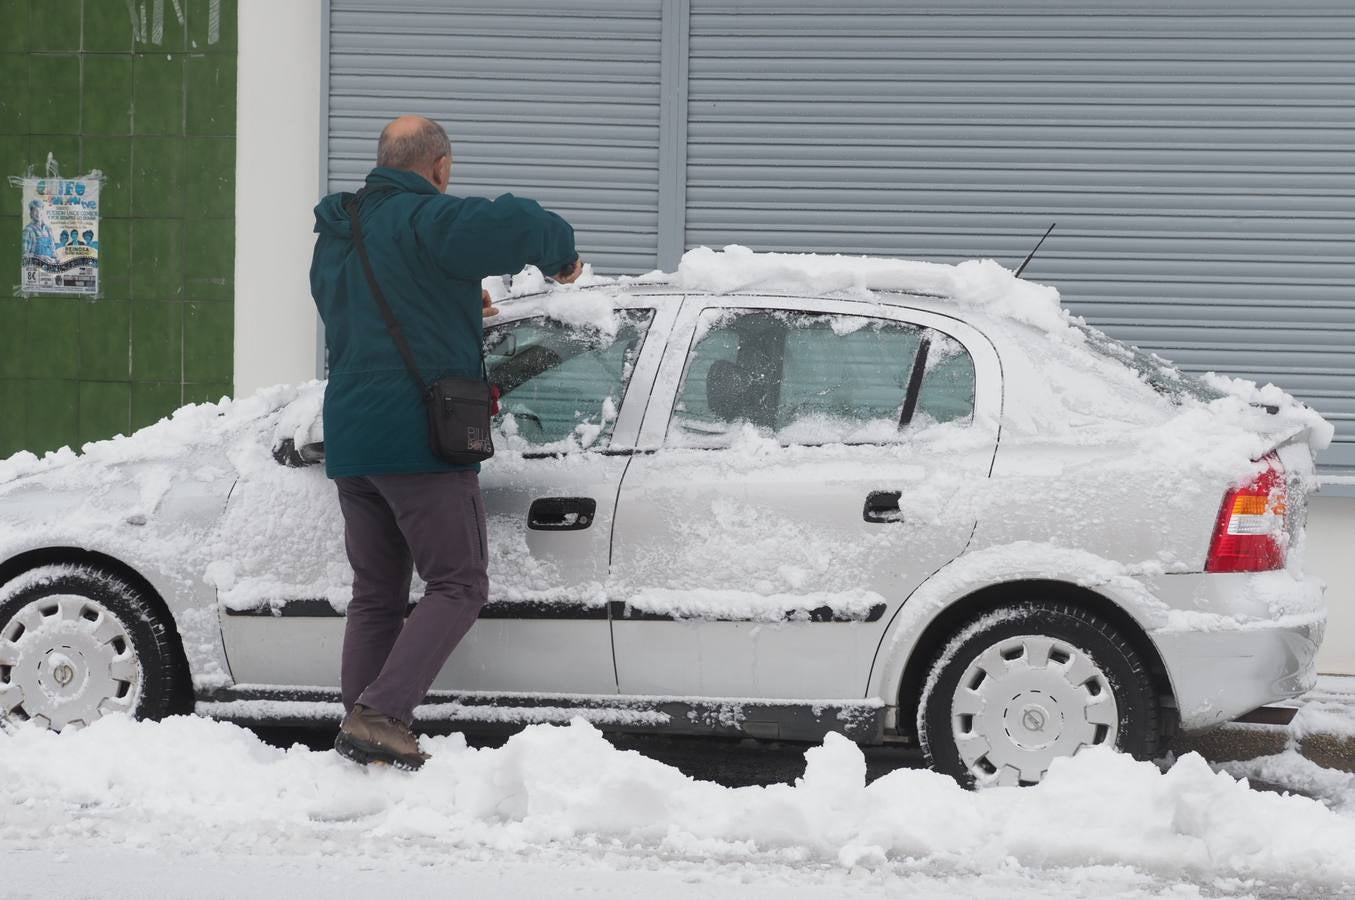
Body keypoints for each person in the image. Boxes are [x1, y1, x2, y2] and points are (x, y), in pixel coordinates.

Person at [310, 115, 582, 769]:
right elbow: (521, 222)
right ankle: (383, 715)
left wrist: (454, 298)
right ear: (440, 167)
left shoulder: (337, 237)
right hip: (417, 438)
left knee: (377, 592)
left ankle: (361, 727)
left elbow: (378, 312)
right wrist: (564, 261)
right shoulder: (424, 220)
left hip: (352, 438)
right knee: (458, 584)